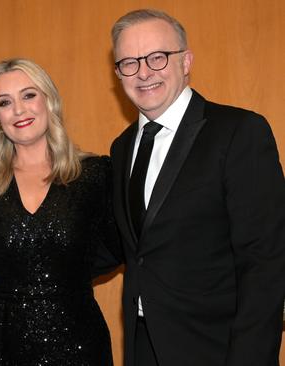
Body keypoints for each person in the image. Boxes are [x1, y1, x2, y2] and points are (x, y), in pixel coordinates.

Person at [109, 9, 285, 366]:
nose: (143, 72)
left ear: (185, 61)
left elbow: (264, 263)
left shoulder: (239, 133)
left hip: (217, 350)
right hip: (142, 348)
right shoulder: (121, 147)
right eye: (129, 62)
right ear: (117, 73)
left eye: (157, 57)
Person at [0, 58, 121, 365]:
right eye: (5, 102)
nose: (18, 110)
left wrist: (65, 276)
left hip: (77, 339)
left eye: (28, 95)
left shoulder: (95, 175)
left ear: (49, 101)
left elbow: (119, 247)